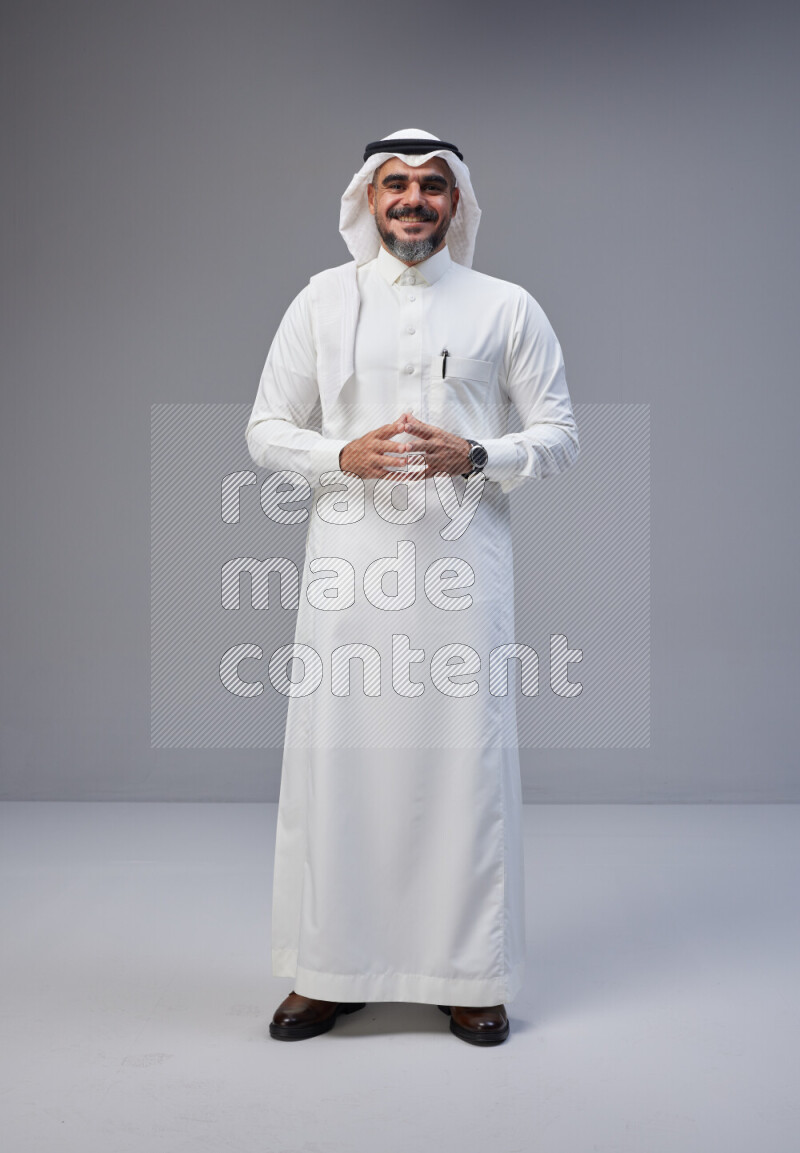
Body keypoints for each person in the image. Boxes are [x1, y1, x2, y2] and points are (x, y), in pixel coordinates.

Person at [245, 128, 579, 1046]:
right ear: (367, 198)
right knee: (340, 760)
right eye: (396, 184)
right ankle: (328, 970)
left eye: (433, 186)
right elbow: (266, 428)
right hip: (348, 573)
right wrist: (336, 453)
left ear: (458, 202)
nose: (414, 200)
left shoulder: (506, 306)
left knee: (460, 765)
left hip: (464, 575)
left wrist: (478, 451)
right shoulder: (320, 301)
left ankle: (467, 972)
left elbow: (559, 434)